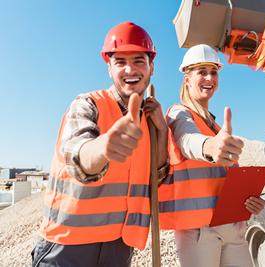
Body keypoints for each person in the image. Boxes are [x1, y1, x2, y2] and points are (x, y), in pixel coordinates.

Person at [31, 22, 168, 267]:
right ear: (109, 68)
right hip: (68, 246)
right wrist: (104, 147)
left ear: (151, 67)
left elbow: (155, 179)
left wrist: (162, 131)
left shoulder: (149, 120)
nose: (130, 69)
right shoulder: (87, 104)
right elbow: (77, 154)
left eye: (139, 60)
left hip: (118, 247)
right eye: (120, 62)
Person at [158, 44, 265, 267]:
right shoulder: (180, 114)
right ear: (187, 79)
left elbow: (228, 180)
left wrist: (248, 201)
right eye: (201, 72)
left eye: (213, 72)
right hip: (198, 232)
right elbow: (187, 140)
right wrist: (209, 147)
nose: (209, 77)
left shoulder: (216, 126)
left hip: (231, 226)